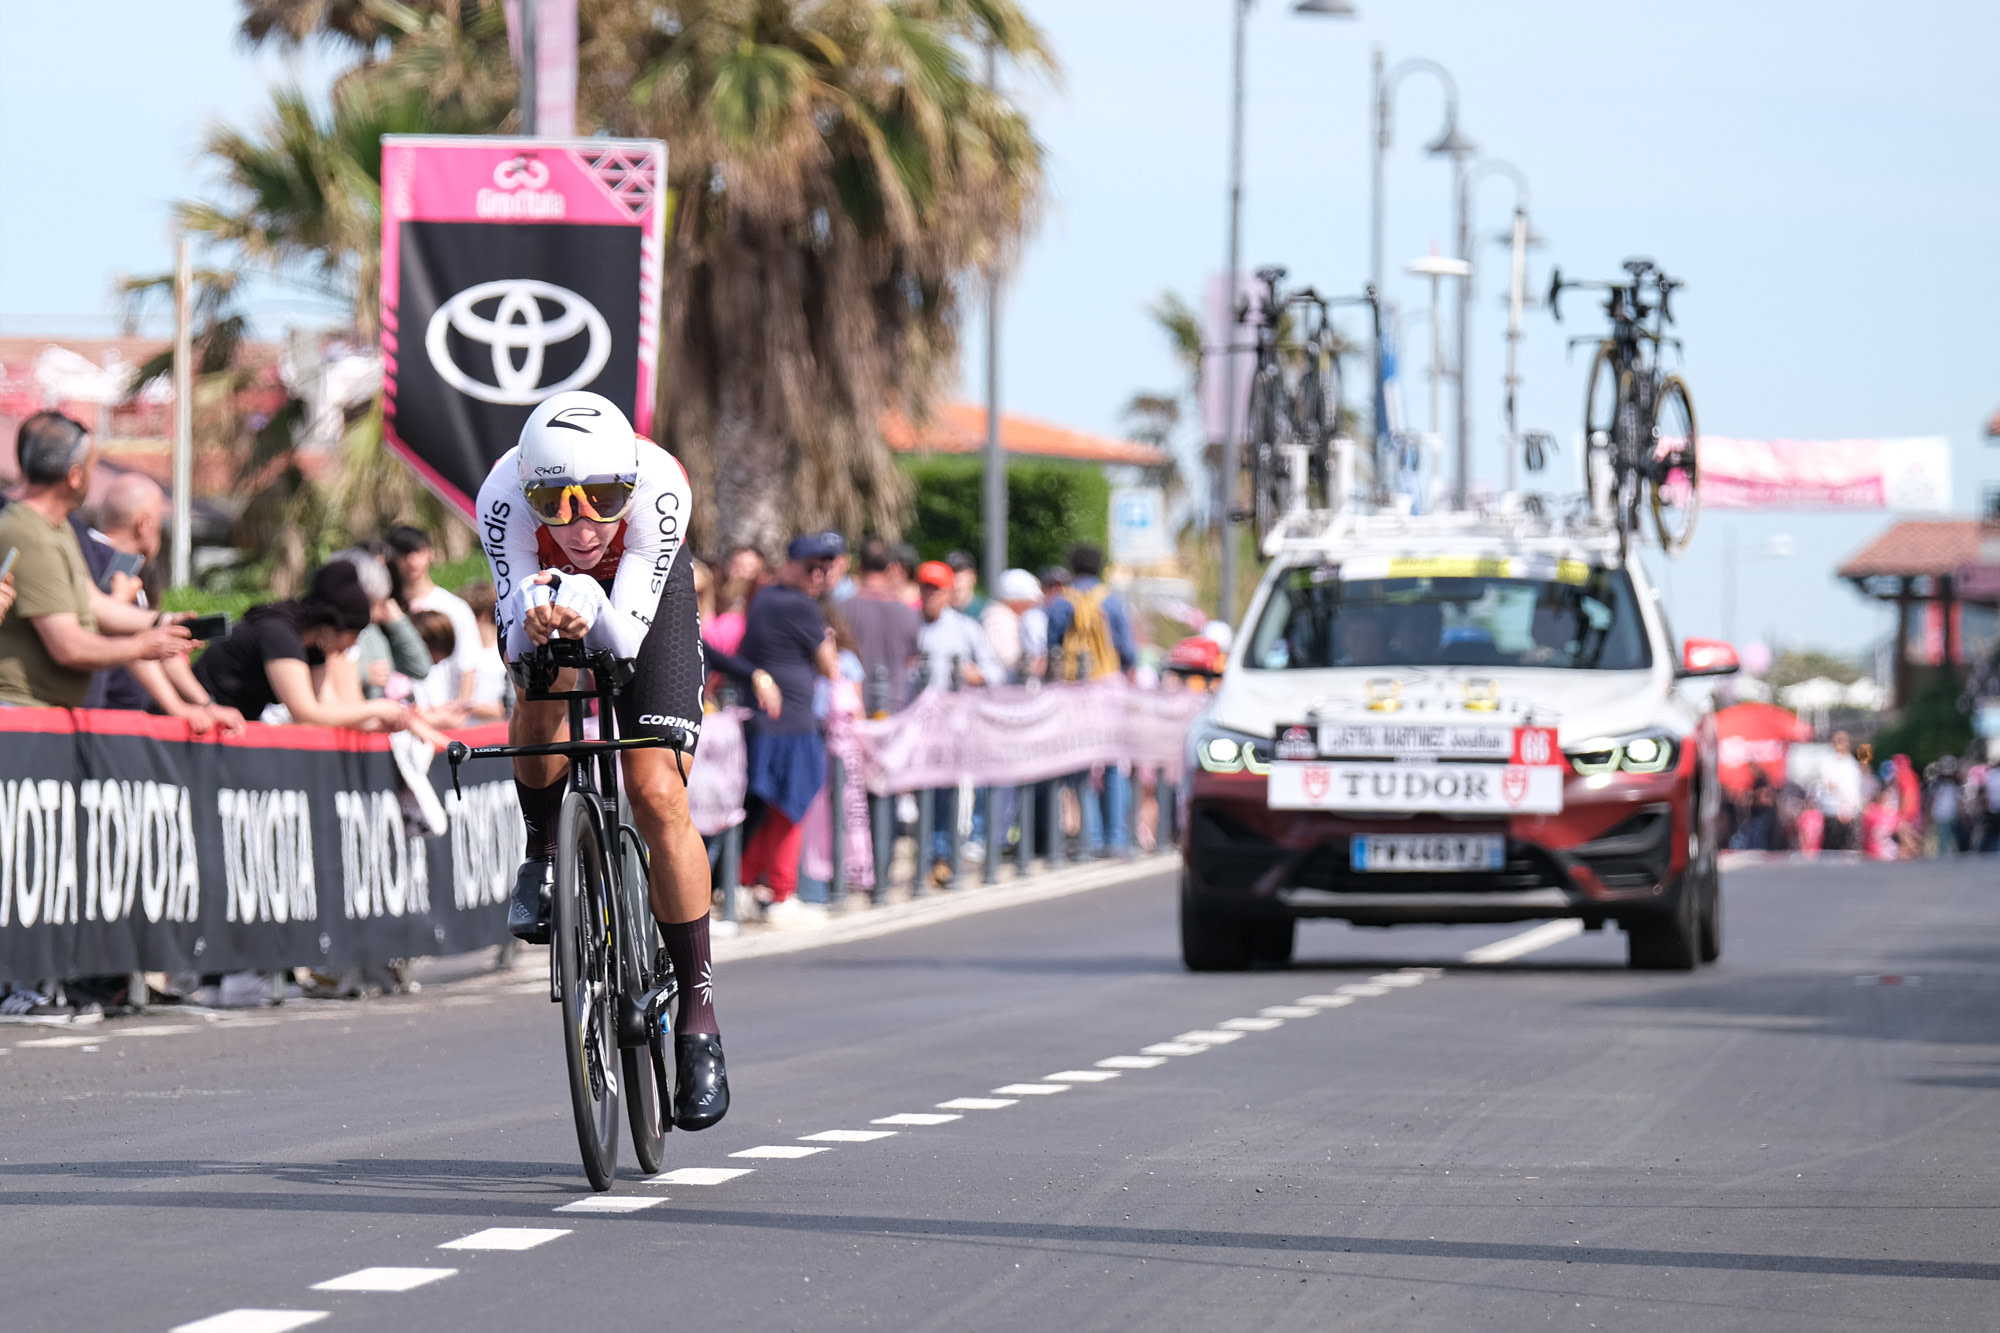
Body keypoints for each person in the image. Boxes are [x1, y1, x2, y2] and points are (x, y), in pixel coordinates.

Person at [475, 390, 726, 1130]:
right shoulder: (500, 497)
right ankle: (543, 850)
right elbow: (515, 638)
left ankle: (700, 1021)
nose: (583, 522)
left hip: (644, 601)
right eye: (556, 502)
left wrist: (583, 593)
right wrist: (540, 614)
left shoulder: (661, 486)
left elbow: (621, 638)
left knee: (656, 794)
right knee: (540, 676)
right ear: (527, 492)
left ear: (629, 483)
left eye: (603, 498)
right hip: (551, 601)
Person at [0, 412, 193, 708]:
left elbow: (94, 604)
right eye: (92, 467)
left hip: (48, 716)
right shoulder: (30, 534)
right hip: (22, 715)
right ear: (75, 476)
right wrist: (140, 646)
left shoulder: (58, 526)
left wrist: (161, 621)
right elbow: (67, 646)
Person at [73, 473, 244, 732]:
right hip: (106, 722)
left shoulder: (86, 553)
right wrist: (179, 707)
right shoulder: (115, 568)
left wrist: (203, 704)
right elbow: (136, 646)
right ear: (144, 524)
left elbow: (156, 648)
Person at [732, 532, 843, 926]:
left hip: (768, 720)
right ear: (792, 564)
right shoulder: (801, 606)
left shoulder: (764, 598)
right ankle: (780, 893)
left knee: (763, 807)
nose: (820, 575)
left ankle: (745, 887)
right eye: (813, 567)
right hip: (792, 721)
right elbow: (831, 666)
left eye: (825, 568)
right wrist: (828, 639)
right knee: (788, 807)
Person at [193, 561, 410, 731]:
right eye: (355, 634)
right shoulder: (280, 635)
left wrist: (383, 723)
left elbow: (330, 710)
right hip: (196, 716)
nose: (356, 643)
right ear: (331, 627)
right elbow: (306, 714)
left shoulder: (314, 646)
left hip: (232, 721)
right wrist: (376, 708)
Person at [1044, 544, 1137, 859]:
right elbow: (1129, 652)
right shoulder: (1112, 601)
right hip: (1108, 688)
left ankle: (1089, 838)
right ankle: (1116, 838)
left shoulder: (1061, 603)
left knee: (1080, 764)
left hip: (1074, 691)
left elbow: (1052, 649)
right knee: (1112, 765)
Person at [386, 525, 481, 713]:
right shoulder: (386, 608)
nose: (412, 561)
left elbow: (468, 664)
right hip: (400, 715)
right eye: (404, 554)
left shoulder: (454, 607)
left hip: (444, 712)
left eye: (418, 552)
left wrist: (459, 708)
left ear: (429, 553)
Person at [842, 537, 923, 713]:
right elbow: (913, 663)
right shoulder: (909, 613)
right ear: (890, 568)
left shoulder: (843, 610)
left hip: (855, 709)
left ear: (860, 567)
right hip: (896, 708)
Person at [456, 580, 513, 722]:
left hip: (497, 734)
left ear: (483, 616)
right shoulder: (466, 653)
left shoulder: (505, 654)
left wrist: (464, 706)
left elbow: (506, 708)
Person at [981, 568, 1043, 683]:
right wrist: (1039, 664)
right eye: (1030, 602)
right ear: (1016, 601)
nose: (1033, 606)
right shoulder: (998, 621)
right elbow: (1010, 665)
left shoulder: (1007, 619)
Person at [1816, 731, 1864, 852]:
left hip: (1849, 813)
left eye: (1843, 741)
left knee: (1848, 850)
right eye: (1837, 741)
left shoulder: (1852, 764)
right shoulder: (1828, 762)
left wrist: (1851, 807)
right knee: (1831, 848)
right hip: (1832, 811)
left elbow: (1854, 789)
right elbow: (1828, 783)